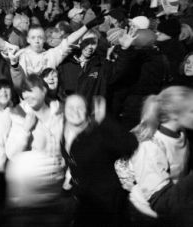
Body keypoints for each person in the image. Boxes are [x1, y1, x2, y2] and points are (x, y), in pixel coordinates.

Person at [61, 95, 138, 227]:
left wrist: (105, 120)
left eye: (80, 107)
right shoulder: (64, 133)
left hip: (107, 207)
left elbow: (130, 144)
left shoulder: (99, 132)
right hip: (85, 204)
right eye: (71, 107)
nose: (75, 111)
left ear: (87, 110)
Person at [129, 86, 193, 227]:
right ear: (175, 114)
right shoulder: (152, 146)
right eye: (192, 111)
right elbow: (160, 202)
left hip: (173, 202)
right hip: (148, 214)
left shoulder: (181, 133)